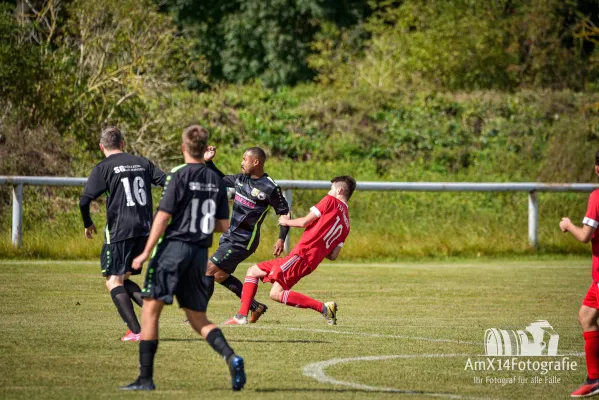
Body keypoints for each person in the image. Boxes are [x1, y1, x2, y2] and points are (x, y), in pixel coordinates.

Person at [120, 125, 245, 391]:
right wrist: (198, 225)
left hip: (173, 250)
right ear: (204, 148)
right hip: (199, 254)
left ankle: (145, 379)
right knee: (198, 318)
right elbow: (223, 224)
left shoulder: (178, 174)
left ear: (183, 147)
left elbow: (163, 217)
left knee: (150, 311)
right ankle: (231, 357)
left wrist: (144, 252)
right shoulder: (216, 181)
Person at [224, 176, 356, 326]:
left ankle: (324, 308)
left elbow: (305, 221)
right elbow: (333, 255)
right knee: (253, 271)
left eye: (331, 189)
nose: (329, 191)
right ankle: (241, 315)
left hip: (302, 255)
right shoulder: (346, 224)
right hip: (308, 259)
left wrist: (285, 221)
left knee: (276, 293)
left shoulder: (330, 201)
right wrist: (320, 245)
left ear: (339, 190)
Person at [79, 127, 166, 342]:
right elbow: (167, 182)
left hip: (120, 230)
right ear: (123, 144)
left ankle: (138, 331)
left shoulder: (103, 168)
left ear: (102, 147)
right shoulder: (142, 162)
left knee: (113, 281)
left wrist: (88, 223)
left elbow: (84, 200)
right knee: (124, 279)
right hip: (144, 229)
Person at [203, 146, 290, 323]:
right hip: (229, 237)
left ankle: (197, 315)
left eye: (244, 159)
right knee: (220, 275)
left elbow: (284, 212)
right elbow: (220, 179)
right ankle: (255, 306)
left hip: (243, 241)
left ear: (255, 162)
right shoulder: (241, 179)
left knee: (208, 270)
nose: (241, 162)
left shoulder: (270, 187)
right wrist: (208, 161)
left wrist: (281, 238)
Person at [561, 150, 599, 398]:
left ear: (597, 169)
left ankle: (595, 379)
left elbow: (585, 236)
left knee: (586, 316)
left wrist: (568, 225)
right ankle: (594, 379)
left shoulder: (597, 196)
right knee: (586, 315)